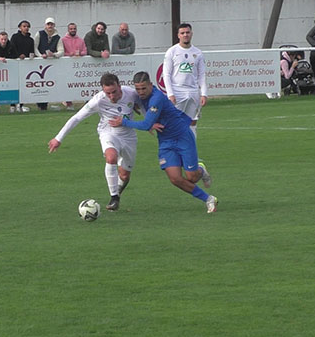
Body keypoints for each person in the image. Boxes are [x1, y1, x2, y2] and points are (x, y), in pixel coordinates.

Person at [109, 71, 217, 213]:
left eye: (143, 88)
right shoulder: (138, 96)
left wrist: (124, 122)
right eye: (138, 89)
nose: (140, 92)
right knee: (175, 179)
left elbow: (147, 124)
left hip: (182, 136)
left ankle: (200, 170)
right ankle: (209, 199)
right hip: (165, 141)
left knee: (192, 177)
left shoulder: (157, 98)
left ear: (151, 85)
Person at [48, 73, 141, 211]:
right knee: (111, 157)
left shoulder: (131, 94)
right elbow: (77, 118)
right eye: (107, 93)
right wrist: (58, 138)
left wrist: (151, 122)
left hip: (129, 137)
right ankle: (114, 197)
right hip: (108, 132)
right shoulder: (98, 100)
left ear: (120, 86)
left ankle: (117, 191)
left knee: (125, 175)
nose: (111, 96)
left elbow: (144, 108)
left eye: (114, 92)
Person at [162, 23, 207, 138]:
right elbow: (166, 74)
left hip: (193, 91)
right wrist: (170, 94)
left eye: (187, 32)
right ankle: (174, 150)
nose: (185, 35)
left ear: (191, 34)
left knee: (192, 122)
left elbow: (202, 75)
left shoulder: (198, 53)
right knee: (174, 121)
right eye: (182, 33)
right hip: (177, 91)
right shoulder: (172, 52)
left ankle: (191, 150)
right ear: (178, 35)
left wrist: (204, 93)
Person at [35, 17, 64, 111]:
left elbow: (61, 51)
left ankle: (44, 106)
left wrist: (54, 55)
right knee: (38, 85)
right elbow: (35, 47)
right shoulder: (39, 34)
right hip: (38, 64)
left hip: (50, 65)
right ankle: (40, 104)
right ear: (45, 25)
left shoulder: (58, 37)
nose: (50, 26)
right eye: (48, 24)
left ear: (54, 25)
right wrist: (40, 56)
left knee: (47, 85)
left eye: (51, 24)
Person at [10, 20, 35, 113]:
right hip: (16, 64)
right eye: (24, 26)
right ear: (20, 27)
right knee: (14, 85)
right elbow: (12, 48)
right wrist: (19, 55)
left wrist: (30, 56)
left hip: (25, 66)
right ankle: (12, 105)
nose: (26, 28)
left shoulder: (30, 40)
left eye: (27, 26)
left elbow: (31, 51)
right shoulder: (15, 37)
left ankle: (20, 105)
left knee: (24, 85)